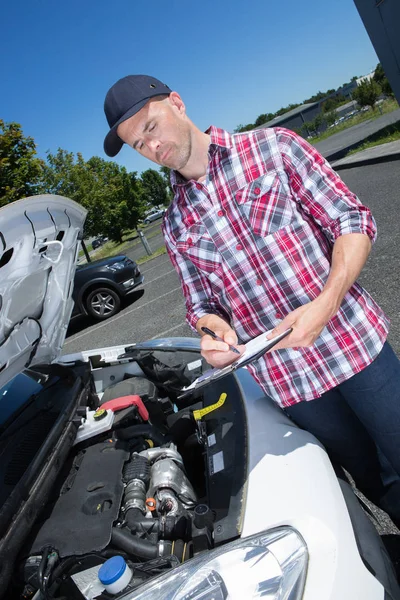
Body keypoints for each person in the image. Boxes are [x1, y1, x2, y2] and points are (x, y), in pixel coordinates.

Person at [103, 75, 400, 525]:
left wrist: (326, 302)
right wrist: (211, 332)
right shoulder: (174, 224)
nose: (150, 146)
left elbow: (351, 219)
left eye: (150, 126)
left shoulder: (274, 148)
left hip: (352, 344)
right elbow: (199, 304)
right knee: (375, 479)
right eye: (136, 144)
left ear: (177, 103)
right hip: (292, 383)